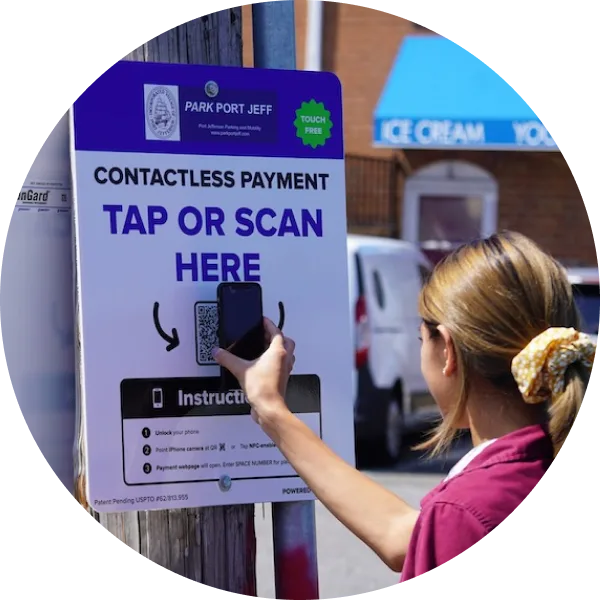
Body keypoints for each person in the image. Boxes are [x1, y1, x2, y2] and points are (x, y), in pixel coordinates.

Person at [212, 231, 597, 586]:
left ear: (446, 350)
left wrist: (269, 407)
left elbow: (445, 529)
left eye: (420, 339)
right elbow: (406, 535)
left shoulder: (470, 511)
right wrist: (274, 411)